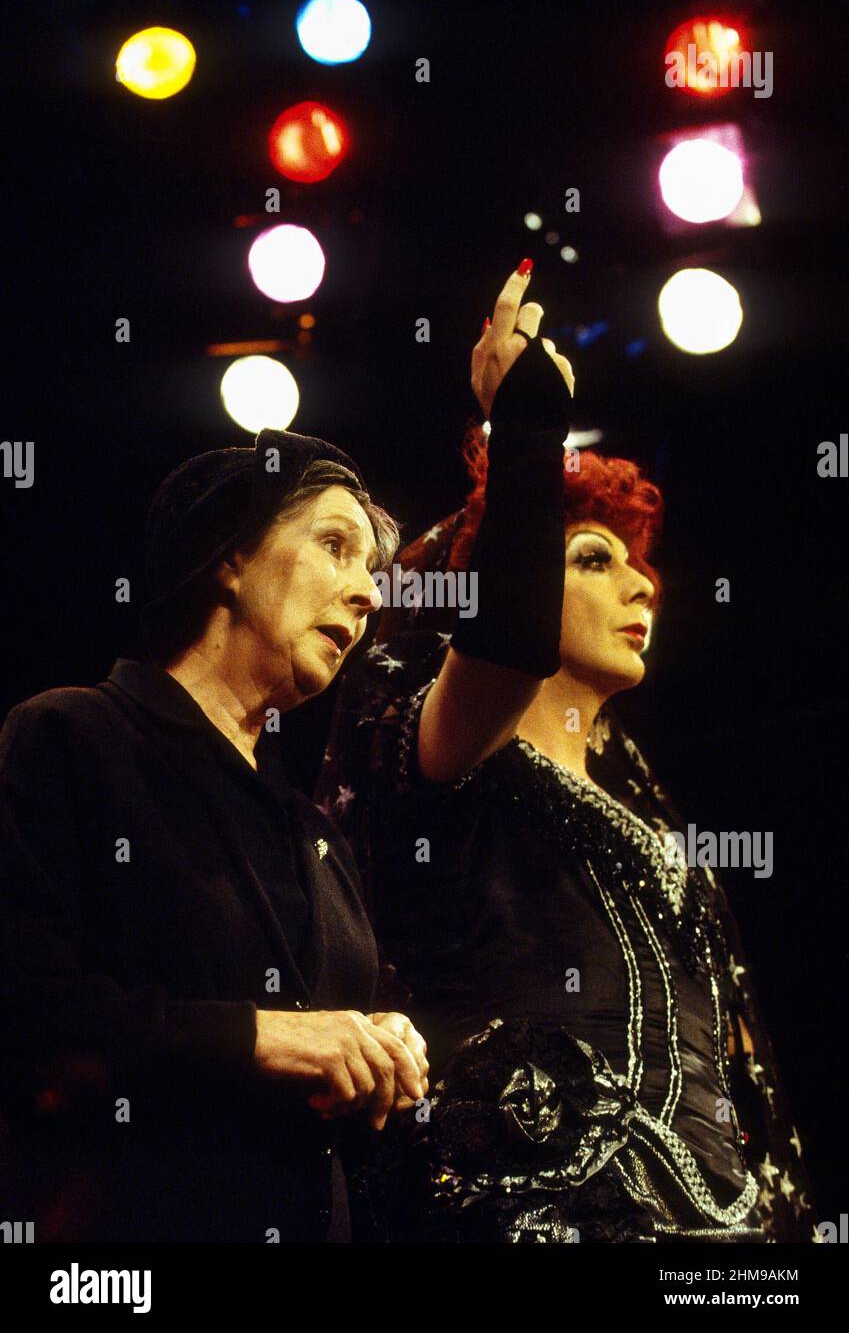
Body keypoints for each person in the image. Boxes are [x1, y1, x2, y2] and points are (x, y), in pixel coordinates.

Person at [317, 263, 815, 1243]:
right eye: (594, 558)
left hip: (723, 1230)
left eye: (640, 564)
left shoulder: (651, 805)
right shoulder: (439, 751)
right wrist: (527, 423)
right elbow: (504, 640)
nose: (642, 587)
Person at [0, 428, 428, 1243]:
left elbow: (325, 1060)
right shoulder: (74, 735)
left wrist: (381, 1053)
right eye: (334, 547)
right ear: (228, 556)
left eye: (371, 572)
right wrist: (264, 1036)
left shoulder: (311, 833)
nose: (367, 595)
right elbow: (27, 1018)